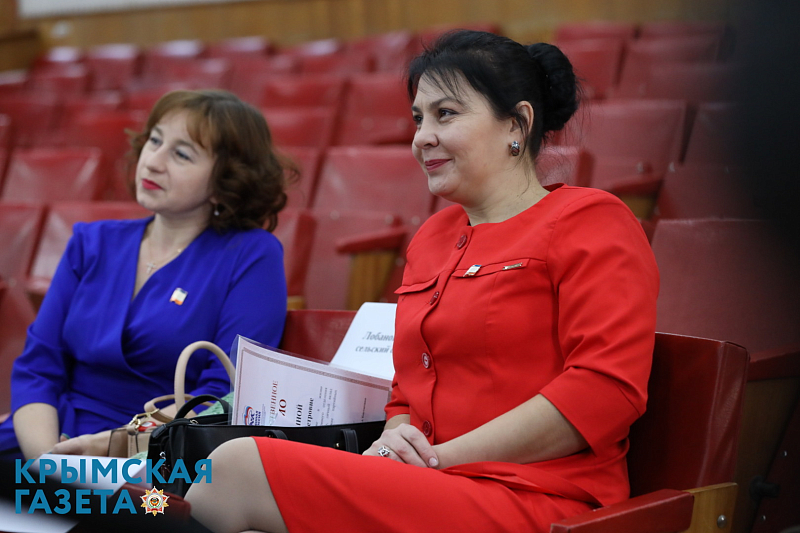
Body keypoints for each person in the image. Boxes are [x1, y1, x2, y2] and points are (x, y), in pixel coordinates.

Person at [186, 30, 659, 533]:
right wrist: (396, 439)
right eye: (418, 119)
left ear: (517, 123)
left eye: (445, 114)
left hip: (539, 497)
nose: (422, 137)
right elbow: (407, 394)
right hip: (434, 483)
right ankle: (130, 507)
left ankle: (132, 511)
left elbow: (605, 391)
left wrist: (437, 459)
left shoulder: (591, 220)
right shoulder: (433, 237)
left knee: (234, 469)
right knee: (179, 484)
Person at [0, 90, 292, 461]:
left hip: (157, 451)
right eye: (154, 141)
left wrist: (112, 445)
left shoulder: (252, 254)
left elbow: (224, 396)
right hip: (50, 434)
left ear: (226, 181)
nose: (152, 162)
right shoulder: (92, 242)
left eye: (182, 154)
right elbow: (38, 368)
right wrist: (47, 458)